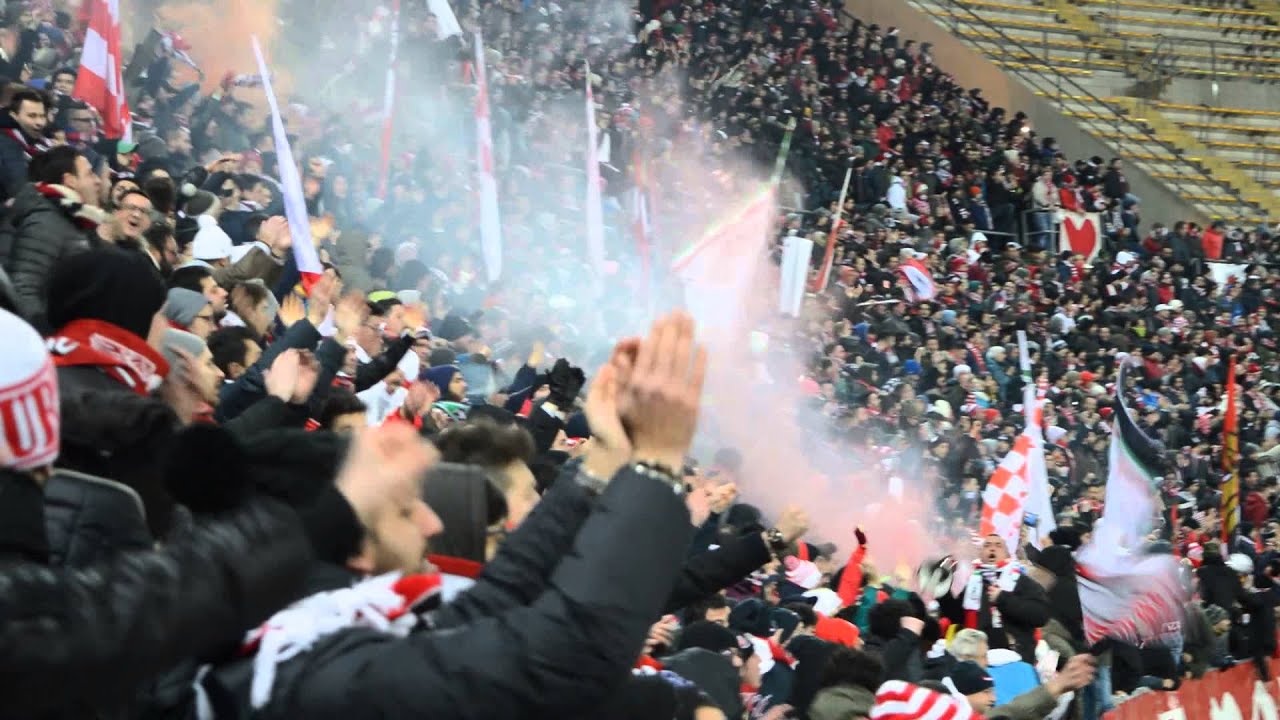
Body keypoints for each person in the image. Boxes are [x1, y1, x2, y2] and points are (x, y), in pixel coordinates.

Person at [0, 145, 105, 331]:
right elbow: (24, 288)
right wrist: (45, 336)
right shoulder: (47, 218)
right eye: (89, 174)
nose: (97, 181)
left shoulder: (72, 219)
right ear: (70, 181)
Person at [940, 534, 1049, 664]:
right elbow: (957, 617)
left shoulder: (1022, 581)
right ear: (981, 554)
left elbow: (1041, 615)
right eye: (987, 545)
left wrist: (1002, 598)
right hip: (977, 659)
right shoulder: (974, 583)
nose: (992, 549)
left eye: (998, 546)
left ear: (1008, 554)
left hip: (1015, 658)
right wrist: (943, 591)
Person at [0, 87, 51, 202]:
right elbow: (19, 189)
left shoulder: (46, 146)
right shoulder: (4, 145)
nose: (39, 122)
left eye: (42, 116)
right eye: (32, 116)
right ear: (14, 115)